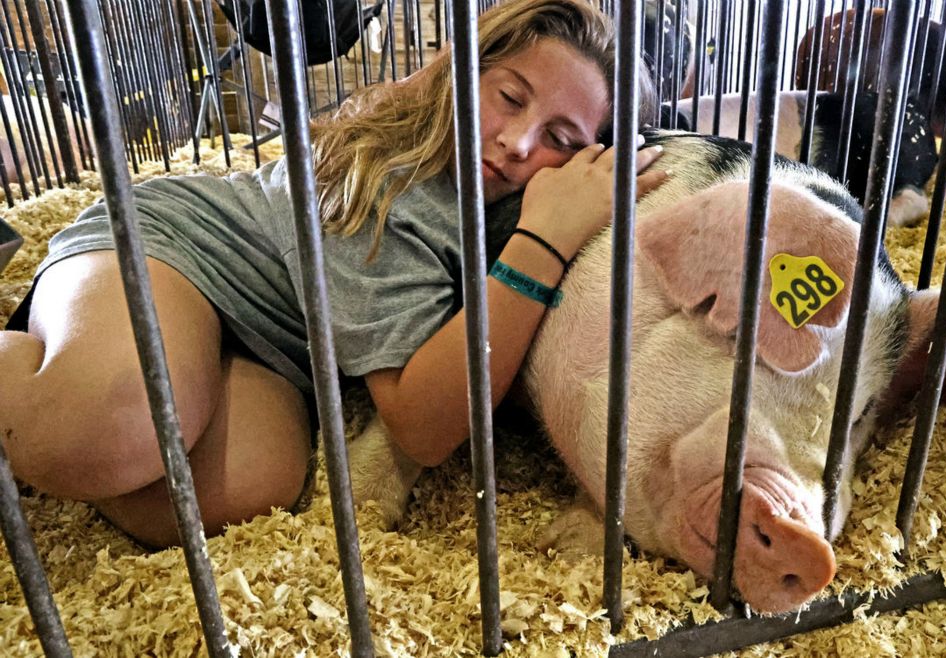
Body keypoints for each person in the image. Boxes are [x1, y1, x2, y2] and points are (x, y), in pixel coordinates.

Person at [0, 0, 666, 548]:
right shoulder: (386, 180)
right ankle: (48, 379)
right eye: (510, 97)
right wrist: (541, 244)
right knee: (112, 431)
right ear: (464, 72)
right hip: (168, 250)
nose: (518, 143)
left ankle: (75, 407)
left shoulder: (501, 200)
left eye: (561, 140)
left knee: (250, 486)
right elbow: (422, 428)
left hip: (272, 345)